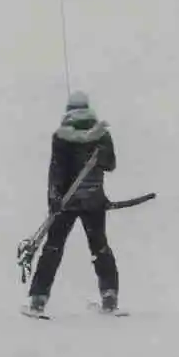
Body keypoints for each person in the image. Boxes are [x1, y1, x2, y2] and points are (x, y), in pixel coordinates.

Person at [24, 92, 119, 317]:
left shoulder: (61, 136)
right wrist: (100, 154)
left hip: (65, 202)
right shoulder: (102, 134)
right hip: (94, 200)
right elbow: (110, 164)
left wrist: (54, 200)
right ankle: (109, 295)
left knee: (53, 248)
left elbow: (56, 170)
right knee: (100, 248)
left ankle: (38, 298)